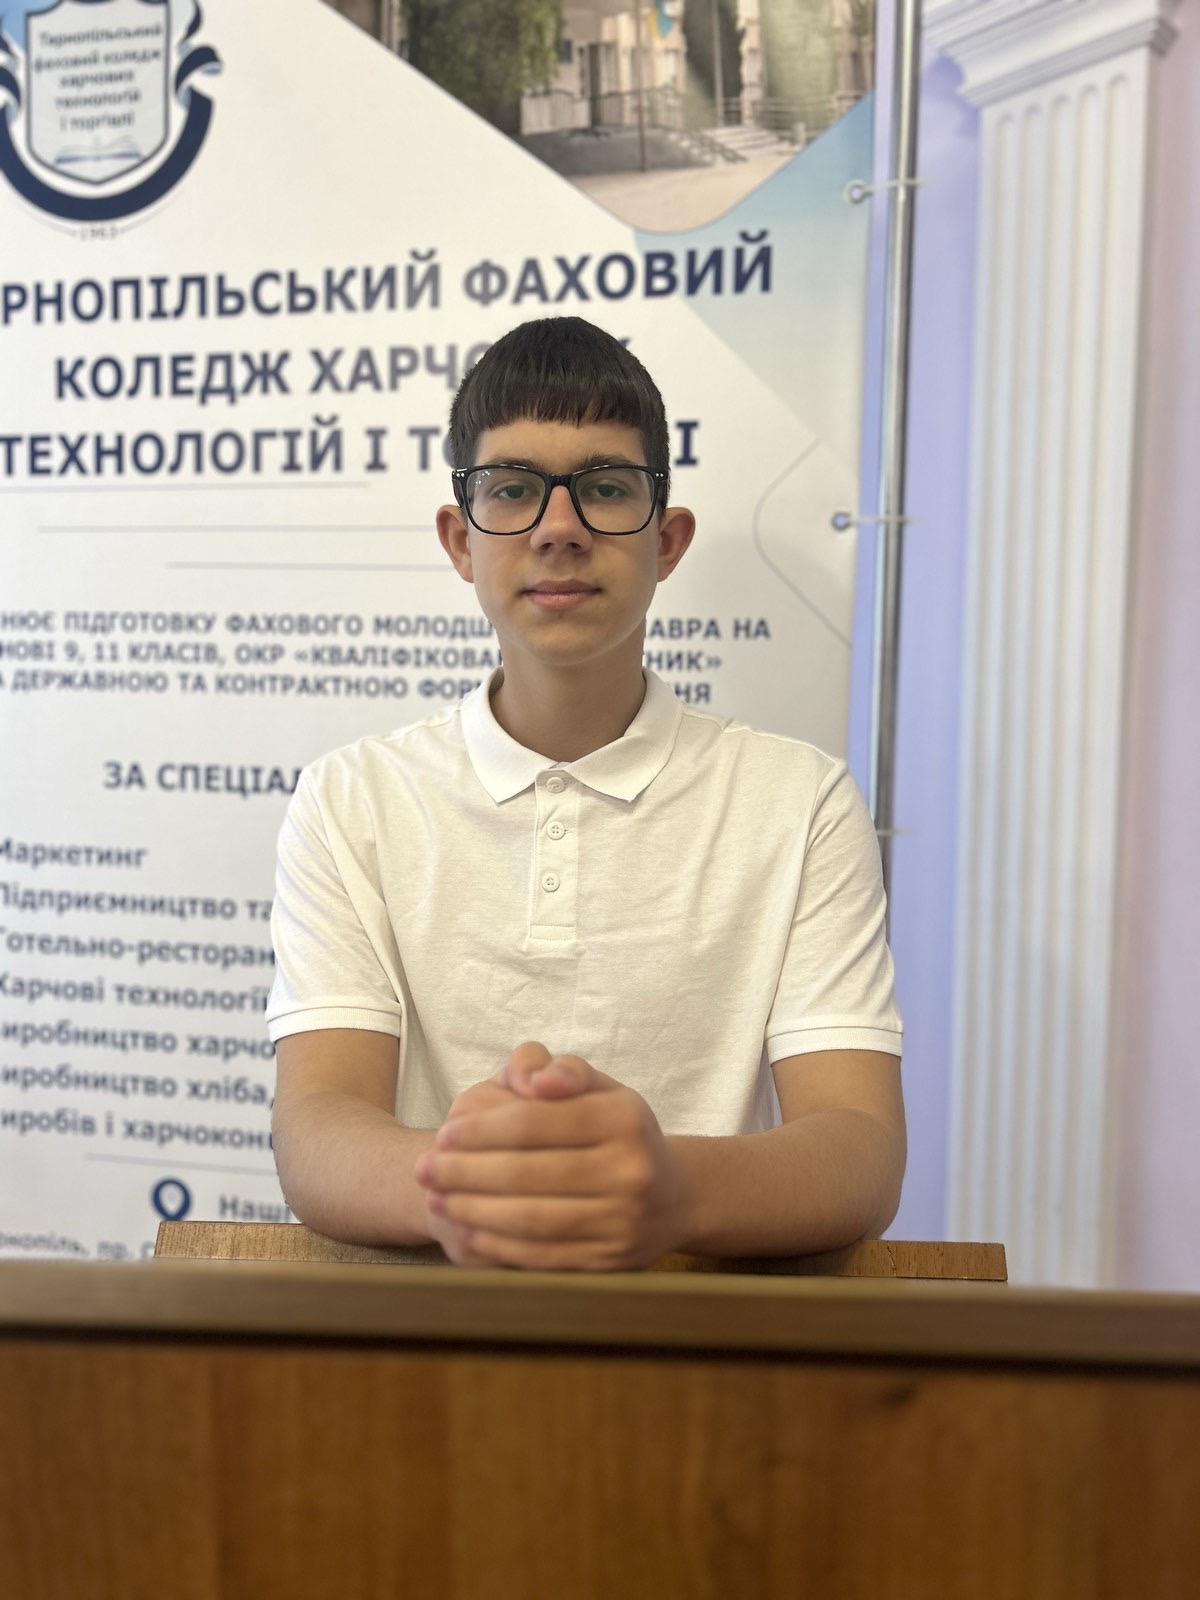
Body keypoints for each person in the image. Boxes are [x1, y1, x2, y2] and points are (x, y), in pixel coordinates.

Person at [267, 315, 904, 1270]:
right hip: (430, 1326)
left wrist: (670, 1188)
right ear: (460, 540)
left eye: (605, 488)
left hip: (703, 1329)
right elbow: (316, 1127)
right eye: (512, 489)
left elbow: (860, 1150)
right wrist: (474, 1189)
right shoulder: (351, 799)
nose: (558, 529)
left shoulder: (800, 801)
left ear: (667, 540)